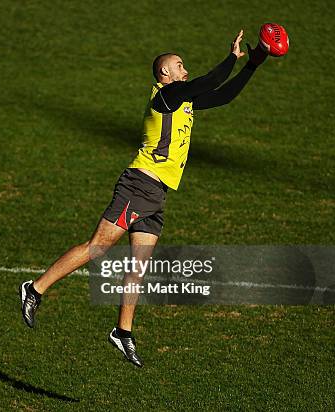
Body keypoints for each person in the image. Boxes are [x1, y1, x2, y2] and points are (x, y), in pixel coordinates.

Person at [19, 30, 269, 367]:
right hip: (139, 185)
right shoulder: (165, 97)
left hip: (157, 194)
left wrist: (253, 65)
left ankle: (123, 331)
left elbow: (223, 95)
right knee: (98, 248)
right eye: (179, 65)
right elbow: (210, 80)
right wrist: (232, 58)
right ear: (165, 73)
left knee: (138, 267)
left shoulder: (184, 101)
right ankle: (34, 289)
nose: (185, 69)